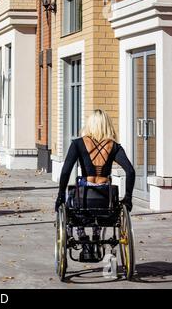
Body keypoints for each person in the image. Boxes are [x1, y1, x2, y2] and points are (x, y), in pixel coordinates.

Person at [55, 109, 135, 261]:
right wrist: (128, 198)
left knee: (72, 199)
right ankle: (97, 234)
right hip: (105, 196)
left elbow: (65, 172)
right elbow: (130, 171)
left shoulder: (78, 144)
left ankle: (82, 237)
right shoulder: (114, 146)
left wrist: (60, 196)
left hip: (84, 196)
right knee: (103, 206)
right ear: (107, 125)